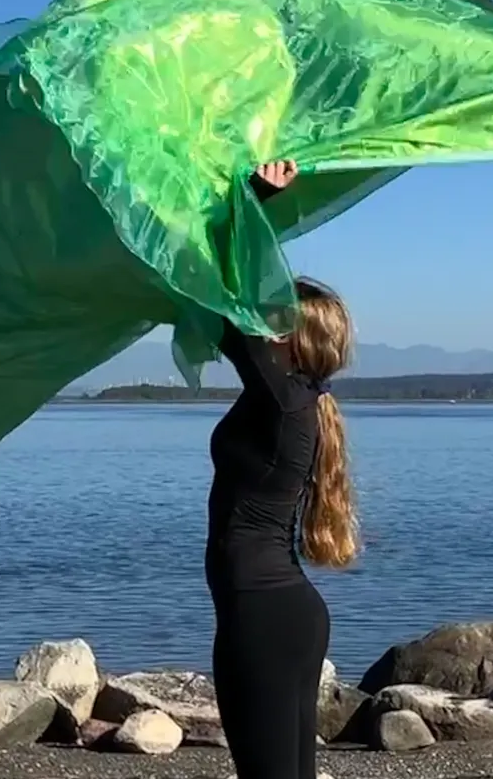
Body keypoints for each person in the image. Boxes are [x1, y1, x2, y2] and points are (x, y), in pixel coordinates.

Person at [208, 159, 358, 779]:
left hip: (263, 617)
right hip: (278, 613)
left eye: (272, 316)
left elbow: (225, 296)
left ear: (291, 339)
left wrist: (254, 203)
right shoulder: (296, 402)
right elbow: (219, 311)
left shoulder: (284, 401)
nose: (258, 320)